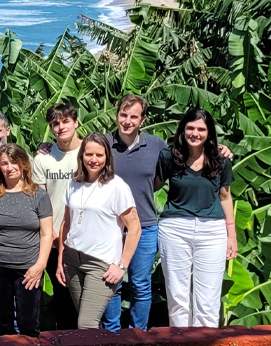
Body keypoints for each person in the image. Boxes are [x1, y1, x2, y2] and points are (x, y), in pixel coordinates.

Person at [156, 109, 237, 328]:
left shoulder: (221, 160)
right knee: (176, 291)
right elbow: (151, 185)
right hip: (175, 228)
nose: (195, 133)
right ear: (183, 130)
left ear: (209, 133)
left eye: (201, 129)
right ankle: (181, 342)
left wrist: (232, 235)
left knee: (209, 293)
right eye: (190, 128)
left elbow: (226, 197)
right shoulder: (168, 157)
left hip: (212, 230)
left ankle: (205, 344)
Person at [103, 95, 173, 332]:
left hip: (145, 224)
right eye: (123, 115)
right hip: (110, 226)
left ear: (143, 119)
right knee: (110, 282)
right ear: (117, 115)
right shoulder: (104, 143)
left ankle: (137, 333)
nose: (127, 121)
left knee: (140, 283)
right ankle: (112, 333)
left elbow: (160, 180)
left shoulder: (156, 145)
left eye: (134, 116)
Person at [57, 132, 141, 330]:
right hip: (72, 260)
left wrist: (122, 265)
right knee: (88, 320)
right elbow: (66, 223)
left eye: (99, 155)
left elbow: (135, 229)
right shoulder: (74, 183)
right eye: (88, 154)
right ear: (81, 156)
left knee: (86, 324)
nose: (93, 160)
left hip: (101, 263)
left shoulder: (117, 187)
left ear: (107, 158)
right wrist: (61, 259)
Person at [0, 144, 53, 337]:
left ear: (23, 165)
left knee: (28, 322)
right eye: (4, 163)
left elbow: (46, 233)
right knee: (1, 321)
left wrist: (40, 265)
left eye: (14, 162)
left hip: (28, 268)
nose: (9, 167)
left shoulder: (39, 195)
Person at [32, 102, 82, 330]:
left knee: (81, 293)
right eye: (55, 123)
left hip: (83, 236)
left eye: (65, 121)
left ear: (75, 122)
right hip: (51, 237)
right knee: (59, 291)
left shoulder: (89, 153)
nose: (61, 127)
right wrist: (49, 231)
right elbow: (40, 198)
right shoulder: (43, 158)